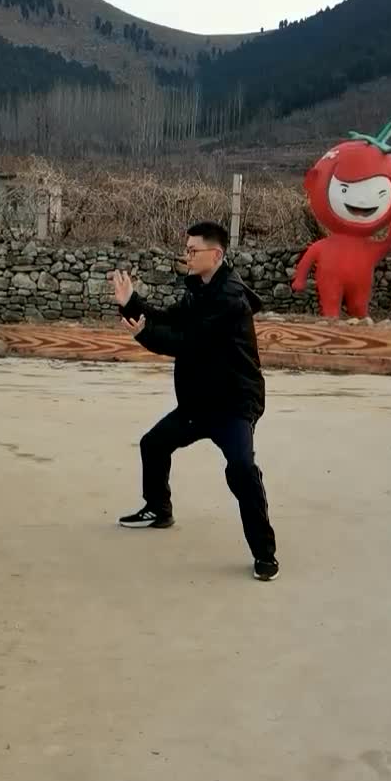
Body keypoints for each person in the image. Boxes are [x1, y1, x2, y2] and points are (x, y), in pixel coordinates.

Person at [109, 221, 279, 582]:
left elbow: (188, 343)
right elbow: (170, 318)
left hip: (234, 405)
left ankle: (265, 553)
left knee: (241, 469)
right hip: (200, 402)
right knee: (154, 444)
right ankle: (159, 509)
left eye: (192, 250)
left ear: (215, 255)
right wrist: (131, 304)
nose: (186, 255)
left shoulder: (230, 300)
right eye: (185, 249)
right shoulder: (199, 290)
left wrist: (144, 334)